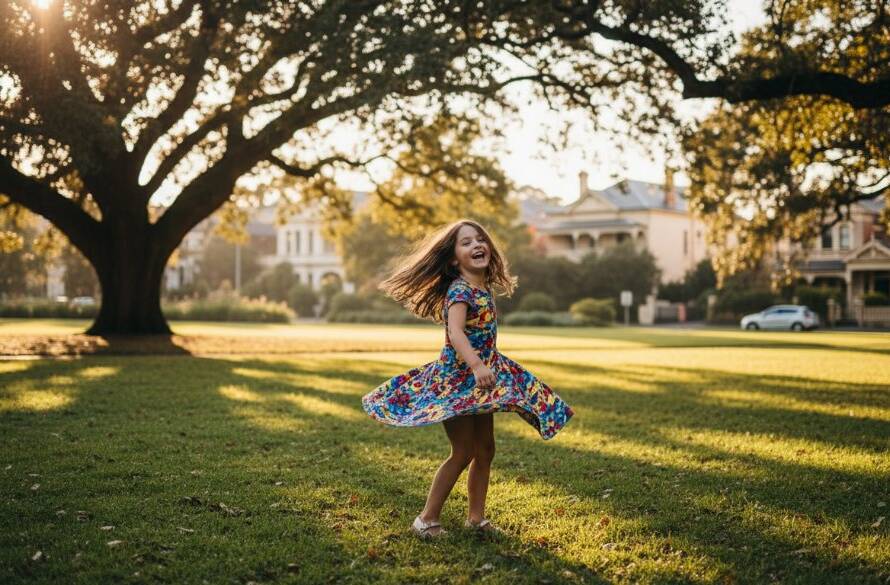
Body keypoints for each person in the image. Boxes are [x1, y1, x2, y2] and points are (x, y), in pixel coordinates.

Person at [361, 219, 575, 538]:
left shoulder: (481, 288)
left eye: (480, 239)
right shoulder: (460, 290)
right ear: (452, 258)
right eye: (466, 242)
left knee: (485, 449)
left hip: (481, 380)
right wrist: (476, 364)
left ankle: (476, 519)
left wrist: (483, 367)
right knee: (463, 451)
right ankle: (426, 519)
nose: (476, 245)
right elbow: (455, 332)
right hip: (457, 381)